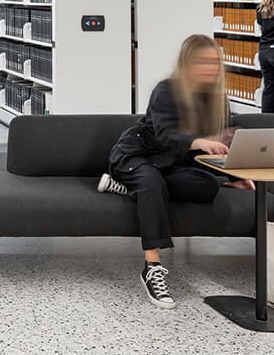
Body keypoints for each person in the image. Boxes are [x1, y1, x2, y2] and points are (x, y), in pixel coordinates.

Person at [97, 34, 253, 309]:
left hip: (169, 164)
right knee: (151, 184)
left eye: (215, 62)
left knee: (207, 186)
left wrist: (235, 176)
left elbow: (218, 146)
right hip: (137, 155)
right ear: (187, 63)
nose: (210, 68)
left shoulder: (216, 100)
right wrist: (198, 141)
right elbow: (167, 135)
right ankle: (152, 268)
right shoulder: (166, 90)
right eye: (203, 62)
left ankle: (123, 187)